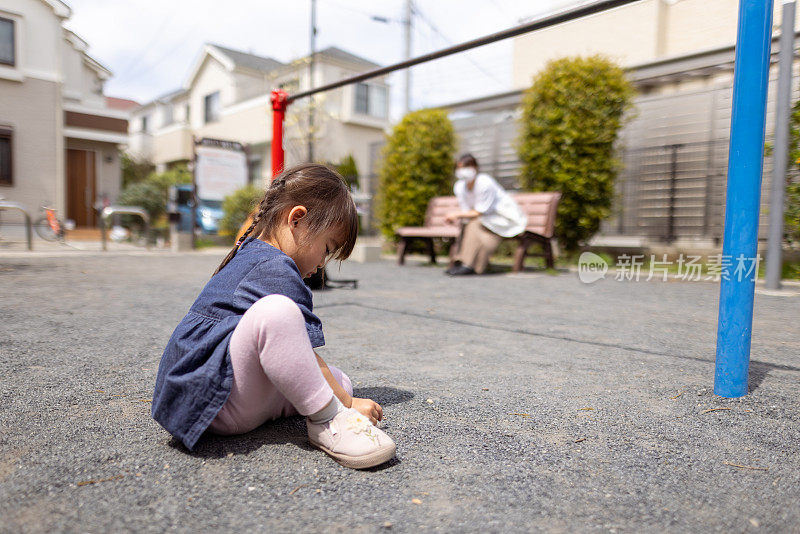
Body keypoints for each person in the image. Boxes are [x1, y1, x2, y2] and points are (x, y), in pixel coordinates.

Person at [151, 163, 396, 469]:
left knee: (339, 380)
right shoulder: (276, 267)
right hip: (214, 399)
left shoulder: (253, 253)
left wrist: (341, 392)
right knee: (278, 313)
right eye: (326, 248)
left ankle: (315, 403)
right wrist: (345, 405)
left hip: (216, 393)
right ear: (298, 219)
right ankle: (327, 420)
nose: (321, 264)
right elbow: (300, 347)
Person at [444, 154, 528, 275]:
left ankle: (467, 264)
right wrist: (459, 217)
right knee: (469, 224)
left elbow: (479, 212)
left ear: (475, 167)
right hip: (484, 220)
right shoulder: (459, 187)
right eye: (459, 168)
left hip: (504, 219)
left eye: (466, 167)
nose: (462, 171)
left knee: (474, 224)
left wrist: (456, 214)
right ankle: (465, 263)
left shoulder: (484, 182)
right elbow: (467, 212)